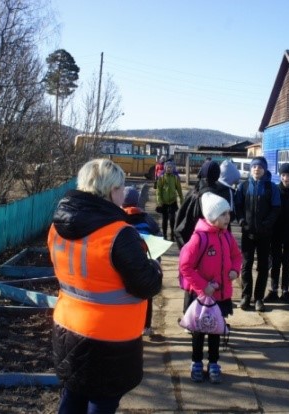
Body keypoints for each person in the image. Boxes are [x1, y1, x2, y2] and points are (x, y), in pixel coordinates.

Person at [48, 159, 163, 413]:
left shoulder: (57, 227)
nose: (124, 193)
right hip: (110, 339)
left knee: (73, 393)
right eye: (122, 188)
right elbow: (147, 285)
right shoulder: (119, 234)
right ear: (111, 191)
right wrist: (154, 265)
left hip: (67, 325)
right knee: (102, 401)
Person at [179, 192, 242, 383]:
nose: (227, 218)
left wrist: (234, 270)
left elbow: (237, 256)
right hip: (201, 296)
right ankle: (196, 362)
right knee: (199, 331)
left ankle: (214, 362)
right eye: (223, 215)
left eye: (228, 214)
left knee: (216, 330)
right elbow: (185, 266)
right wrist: (202, 286)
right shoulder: (199, 238)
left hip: (221, 295)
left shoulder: (227, 236)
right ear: (212, 217)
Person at [234, 156, 281, 312]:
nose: (257, 169)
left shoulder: (271, 188)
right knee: (246, 266)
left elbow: (276, 209)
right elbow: (238, 207)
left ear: (265, 169)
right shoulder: (244, 186)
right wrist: (241, 221)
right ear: (251, 168)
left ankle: (259, 298)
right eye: (254, 166)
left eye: (260, 167)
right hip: (247, 233)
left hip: (264, 234)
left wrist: (266, 224)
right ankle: (246, 296)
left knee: (262, 267)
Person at [123, 185, 162, 337]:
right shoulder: (147, 219)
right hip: (146, 264)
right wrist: (157, 261)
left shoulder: (118, 219)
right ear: (138, 201)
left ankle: (128, 326)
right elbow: (158, 238)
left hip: (125, 265)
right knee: (147, 297)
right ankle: (146, 326)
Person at [264, 163, 289, 305]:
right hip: (276, 232)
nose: (285, 178)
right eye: (283, 175)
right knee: (275, 262)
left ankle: (285, 291)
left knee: (286, 263)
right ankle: (273, 290)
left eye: (288, 175)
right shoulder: (276, 189)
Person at [174, 160, 222, 248]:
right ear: (217, 175)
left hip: (193, 244)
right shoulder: (219, 196)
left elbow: (180, 225)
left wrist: (186, 250)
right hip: (213, 248)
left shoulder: (193, 194)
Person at [156, 160, 183, 240]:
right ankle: (164, 235)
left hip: (172, 202)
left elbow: (179, 189)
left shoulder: (175, 178)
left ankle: (172, 235)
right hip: (164, 203)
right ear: (165, 168)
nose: (169, 169)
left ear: (173, 168)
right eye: (168, 167)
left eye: (171, 167)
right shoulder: (161, 178)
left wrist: (181, 199)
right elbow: (158, 190)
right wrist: (159, 200)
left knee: (172, 219)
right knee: (164, 220)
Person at [215, 159, 241, 229]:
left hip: (212, 224)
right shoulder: (228, 190)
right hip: (224, 226)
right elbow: (231, 212)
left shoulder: (213, 186)